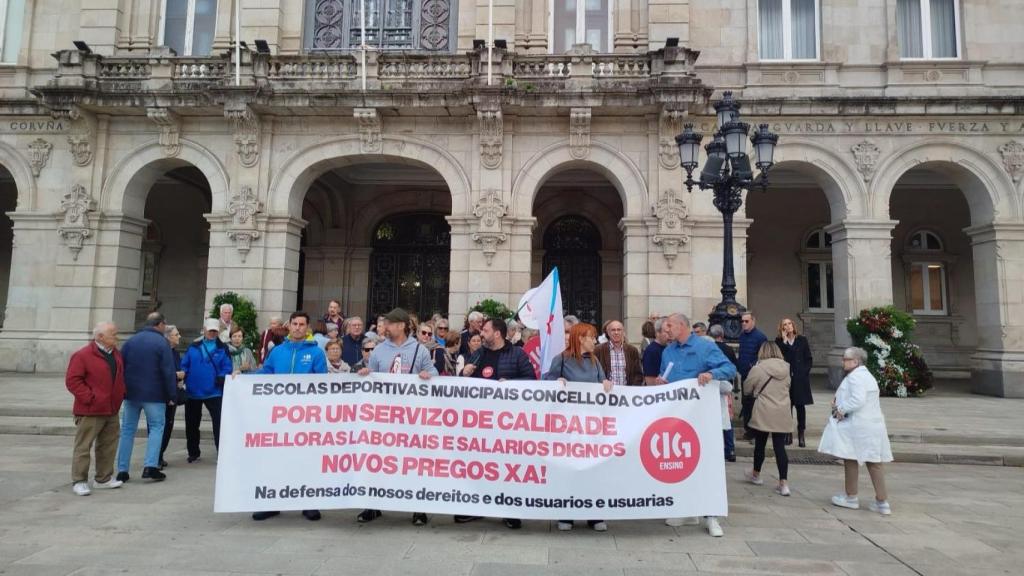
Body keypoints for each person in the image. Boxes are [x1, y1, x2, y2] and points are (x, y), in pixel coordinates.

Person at [658, 312, 736, 537]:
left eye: (669, 326)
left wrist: (711, 373)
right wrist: (663, 383)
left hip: (702, 418)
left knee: (707, 466)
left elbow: (729, 368)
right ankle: (686, 509)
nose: (666, 330)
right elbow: (667, 378)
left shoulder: (704, 347)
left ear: (682, 326)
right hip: (679, 418)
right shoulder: (668, 351)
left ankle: (711, 516)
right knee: (679, 464)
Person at [356, 307, 437, 526]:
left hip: (411, 417)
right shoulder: (380, 351)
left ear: (400, 326)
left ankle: (418, 507)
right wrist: (365, 373)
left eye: (389, 324)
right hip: (383, 417)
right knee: (379, 460)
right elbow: (370, 374)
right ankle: (373, 504)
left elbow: (435, 374)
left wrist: (427, 375)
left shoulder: (419, 350)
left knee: (414, 461)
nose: (385, 327)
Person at [253, 311, 329, 522]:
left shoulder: (316, 354)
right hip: (279, 417)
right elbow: (265, 374)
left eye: (301, 324)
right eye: (294, 324)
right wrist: (242, 377)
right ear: (289, 326)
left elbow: (323, 385)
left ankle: (309, 502)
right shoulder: (277, 351)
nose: (297, 327)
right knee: (277, 459)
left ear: (307, 328)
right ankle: (272, 503)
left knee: (307, 460)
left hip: (306, 418)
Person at [459, 317, 535, 528]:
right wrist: (462, 373)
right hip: (480, 424)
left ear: (497, 333)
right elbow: (463, 385)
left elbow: (531, 381)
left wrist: (511, 385)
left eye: (484, 330)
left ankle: (509, 510)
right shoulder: (478, 353)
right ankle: (476, 507)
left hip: (507, 425)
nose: (480, 334)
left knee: (506, 469)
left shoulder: (517, 354)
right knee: (480, 467)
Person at [543, 322, 614, 532]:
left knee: (592, 470)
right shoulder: (562, 360)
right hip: (568, 427)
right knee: (569, 469)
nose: (595, 340)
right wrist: (557, 381)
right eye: (591, 337)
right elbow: (545, 382)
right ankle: (567, 514)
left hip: (591, 426)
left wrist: (607, 384)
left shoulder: (595, 361)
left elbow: (603, 382)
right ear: (581, 338)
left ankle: (594, 514)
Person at [819, 347, 893, 516]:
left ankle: (851, 496)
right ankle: (882, 501)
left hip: (859, 425)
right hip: (872, 424)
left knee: (851, 458)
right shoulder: (867, 376)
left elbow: (858, 400)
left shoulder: (856, 377)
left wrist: (841, 409)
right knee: (873, 462)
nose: (842, 361)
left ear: (855, 361)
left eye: (845, 359)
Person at [66, 322, 126, 496]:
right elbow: (73, 380)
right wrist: (89, 398)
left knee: (108, 445)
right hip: (90, 410)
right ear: (100, 337)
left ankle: (104, 478)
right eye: (113, 334)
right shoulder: (82, 355)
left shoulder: (115, 354)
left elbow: (119, 376)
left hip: (111, 408)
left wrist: (122, 393)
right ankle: (79, 480)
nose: (117, 337)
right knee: (83, 446)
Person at [116, 312, 177, 482]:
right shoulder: (161, 343)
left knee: (127, 430)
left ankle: (122, 469)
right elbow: (168, 371)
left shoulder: (131, 341)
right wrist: (172, 394)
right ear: (160, 324)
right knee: (157, 427)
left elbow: (121, 366)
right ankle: (150, 466)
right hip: (154, 395)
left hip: (131, 394)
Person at [742, 341, 793, 496]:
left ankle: (756, 474)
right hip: (782, 409)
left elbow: (746, 388)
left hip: (764, 409)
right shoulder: (787, 367)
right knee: (779, 447)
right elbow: (789, 385)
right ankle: (783, 483)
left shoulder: (758, 368)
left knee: (760, 444)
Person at [181, 318, 233, 464]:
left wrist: (222, 377)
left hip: (214, 392)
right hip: (193, 391)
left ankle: (221, 452)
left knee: (219, 424)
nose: (212, 333)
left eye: (215, 331)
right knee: (191, 425)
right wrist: (182, 374)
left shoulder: (223, 348)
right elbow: (185, 364)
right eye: (210, 330)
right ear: (204, 330)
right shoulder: (193, 346)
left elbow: (227, 367)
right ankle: (193, 452)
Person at [776, 318, 813, 447]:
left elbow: (808, 358)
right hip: (786, 378)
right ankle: (788, 433)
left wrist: (804, 372)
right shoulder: (779, 342)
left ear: (793, 325)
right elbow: (781, 358)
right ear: (782, 328)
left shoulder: (802, 340)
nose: (788, 326)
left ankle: (801, 434)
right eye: (784, 324)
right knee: (787, 407)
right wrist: (785, 342)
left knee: (800, 407)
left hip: (800, 378)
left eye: (789, 323)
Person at [709, 324, 739, 462]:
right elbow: (734, 366)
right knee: (727, 419)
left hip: (714, 387)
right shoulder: (728, 349)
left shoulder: (710, 349)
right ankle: (730, 449)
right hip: (726, 388)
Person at [158, 324, 187, 469]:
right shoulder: (162, 352)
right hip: (163, 395)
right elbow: (160, 372)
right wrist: (176, 375)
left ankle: (160, 454)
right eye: (176, 334)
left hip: (174, 392)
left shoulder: (174, 352)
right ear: (168, 337)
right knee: (161, 426)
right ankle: (155, 457)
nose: (179, 336)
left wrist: (180, 378)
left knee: (169, 425)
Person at [738, 312, 768, 440]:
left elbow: (763, 356)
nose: (744, 323)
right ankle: (748, 429)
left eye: (746, 321)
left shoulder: (760, 337)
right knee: (745, 401)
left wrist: (753, 366)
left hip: (755, 375)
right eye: (742, 321)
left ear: (753, 321)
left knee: (754, 402)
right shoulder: (742, 336)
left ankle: (755, 430)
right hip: (744, 374)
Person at [595, 320, 643, 387]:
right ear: (608, 333)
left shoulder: (632, 350)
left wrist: (632, 389)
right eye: (613, 330)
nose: (616, 332)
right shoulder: (598, 350)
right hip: (606, 393)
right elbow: (595, 373)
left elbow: (638, 374)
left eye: (619, 330)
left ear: (623, 332)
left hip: (627, 393)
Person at [641, 317, 669, 385]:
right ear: (657, 333)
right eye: (666, 332)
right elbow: (650, 382)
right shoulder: (651, 351)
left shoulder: (670, 348)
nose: (670, 334)